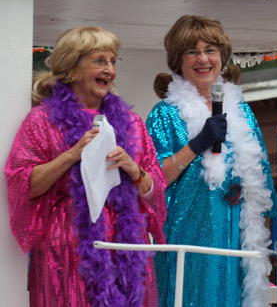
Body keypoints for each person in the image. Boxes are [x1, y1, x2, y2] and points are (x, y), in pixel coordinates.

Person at [4, 27, 167, 307]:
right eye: (100, 60)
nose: (110, 69)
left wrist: (134, 171)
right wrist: (72, 155)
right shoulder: (42, 120)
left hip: (125, 248)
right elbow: (23, 185)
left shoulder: (132, 122)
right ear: (72, 66)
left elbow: (157, 192)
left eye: (113, 61)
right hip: (67, 254)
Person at [146, 15, 277, 307]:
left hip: (235, 238)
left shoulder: (242, 111)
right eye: (192, 51)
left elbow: (262, 185)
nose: (203, 59)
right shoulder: (164, 114)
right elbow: (152, 180)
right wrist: (198, 143)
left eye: (210, 50)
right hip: (188, 238)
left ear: (222, 56)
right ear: (178, 61)